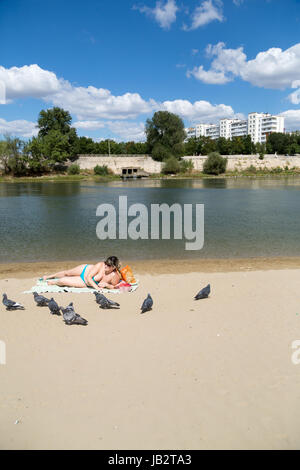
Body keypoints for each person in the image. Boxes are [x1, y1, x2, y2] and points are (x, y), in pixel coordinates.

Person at [43, 256, 121, 290]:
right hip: (85, 270)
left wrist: (107, 285)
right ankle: (49, 276)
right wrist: (97, 288)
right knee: (67, 273)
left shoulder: (115, 276)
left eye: (108, 265)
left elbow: (114, 287)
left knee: (62, 281)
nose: (105, 266)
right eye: (106, 263)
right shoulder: (100, 265)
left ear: (113, 267)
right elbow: (89, 277)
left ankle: (53, 282)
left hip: (84, 282)